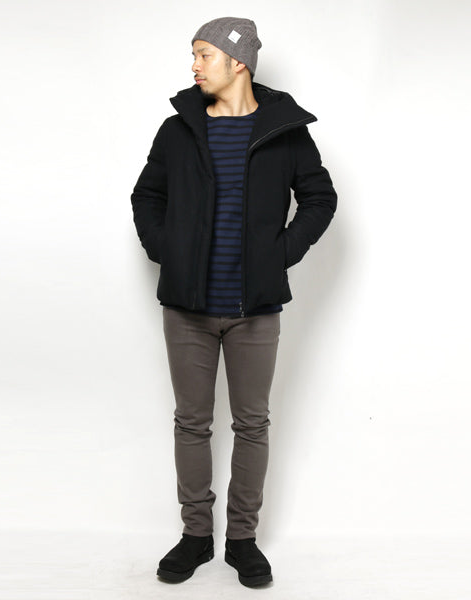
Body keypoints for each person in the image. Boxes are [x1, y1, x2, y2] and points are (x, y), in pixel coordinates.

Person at [131, 16, 337, 587]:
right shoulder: (178, 130)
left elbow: (320, 198)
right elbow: (146, 196)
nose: (194, 65)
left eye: (203, 54)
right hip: (187, 309)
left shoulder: (284, 132)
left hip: (255, 310)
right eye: (194, 54)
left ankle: (242, 541)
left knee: (252, 423)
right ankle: (196, 536)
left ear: (237, 60)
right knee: (191, 423)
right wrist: (167, 251)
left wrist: (279, 254)